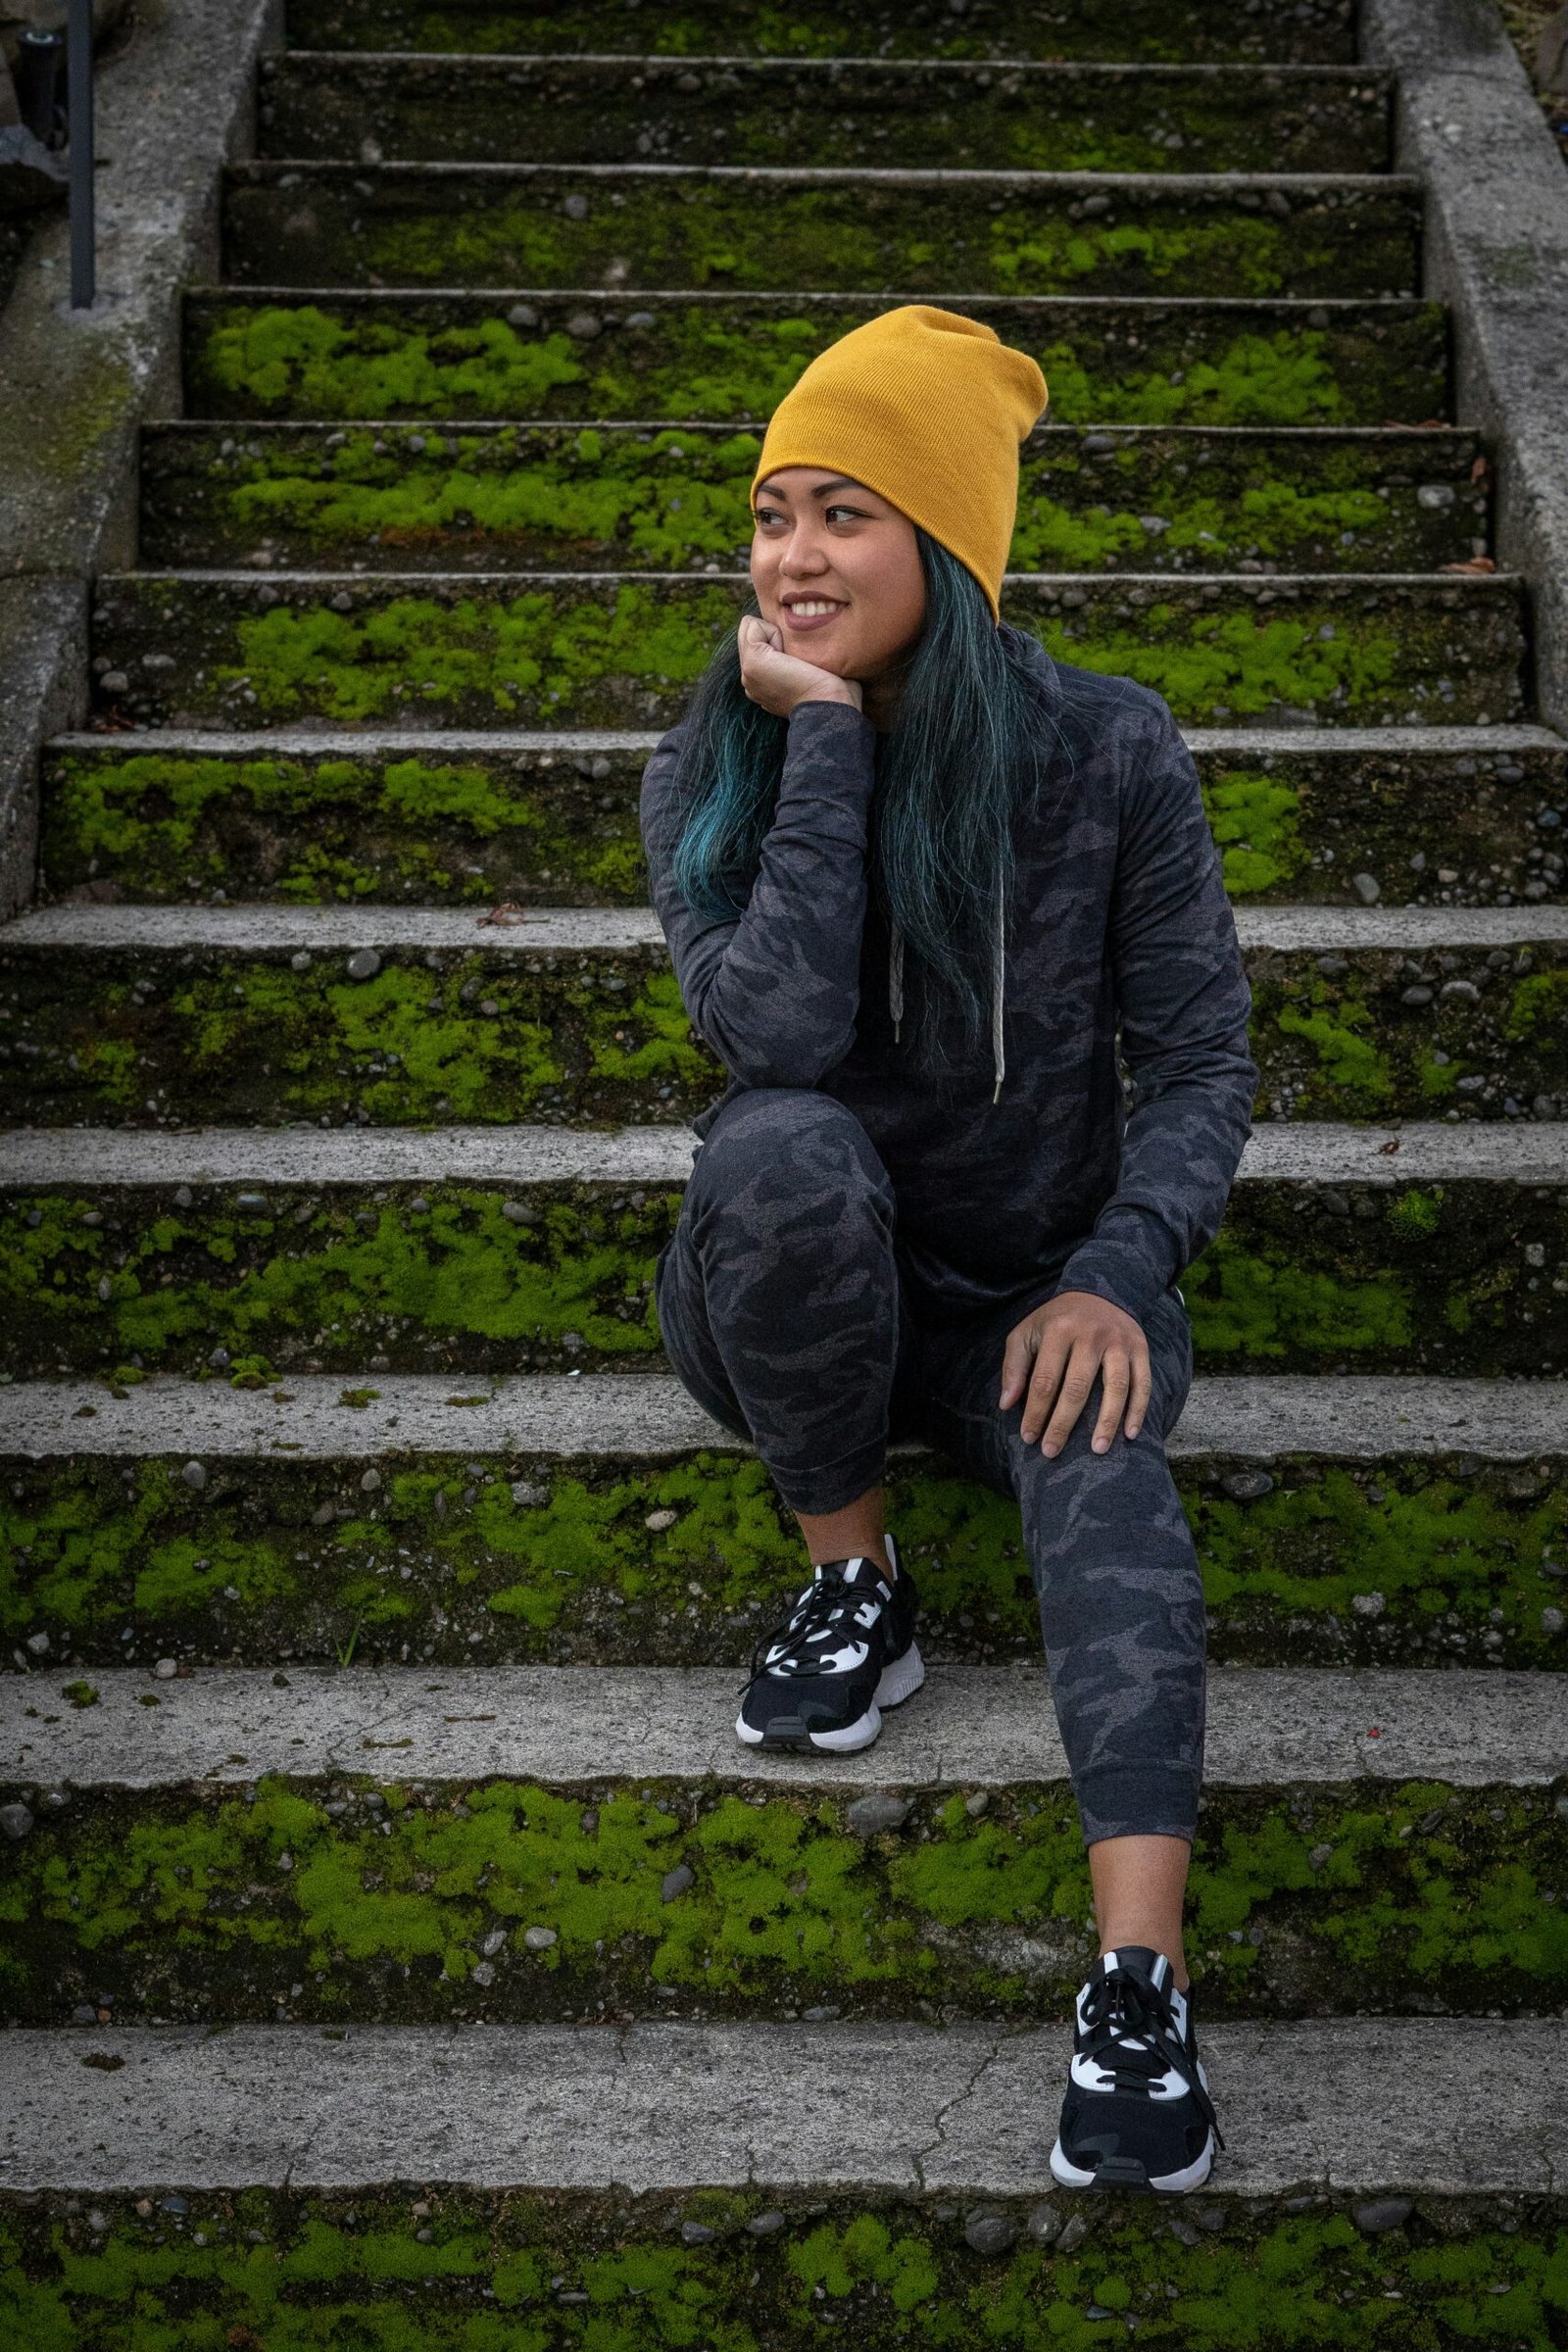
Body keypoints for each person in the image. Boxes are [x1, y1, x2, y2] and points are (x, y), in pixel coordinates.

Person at [638, 305, 1258, 2196]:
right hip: (785, 1292)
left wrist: (1120, 1271)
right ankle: (856, 1580)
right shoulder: (711, 770)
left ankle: (1136, 1992)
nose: (794, 560)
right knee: (786, 1151)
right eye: (771, 515)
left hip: (1026, 1301)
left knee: (1111, 1468)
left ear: (952, 551)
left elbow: (1206, 1060)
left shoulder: (1105, 752)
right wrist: (820, 750)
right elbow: (775, 1042)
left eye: (845, 515)